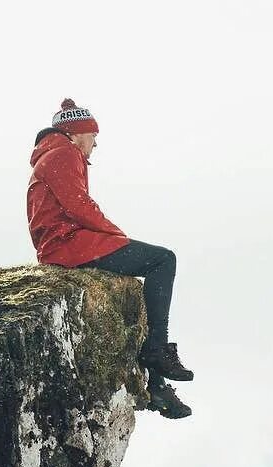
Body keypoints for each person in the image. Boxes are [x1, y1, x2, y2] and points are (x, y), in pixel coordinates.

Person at [27, 99, 193, 420]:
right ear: (76, 133)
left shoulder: (53, 154)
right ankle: (157, 351)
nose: (95, 144)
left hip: (64, 244)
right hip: (69, 246)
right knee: (162, 261)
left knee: (141, 292)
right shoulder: (64, 153)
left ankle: (156, 385)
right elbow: (79, 206)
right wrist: (116, 235)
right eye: (92, 136)